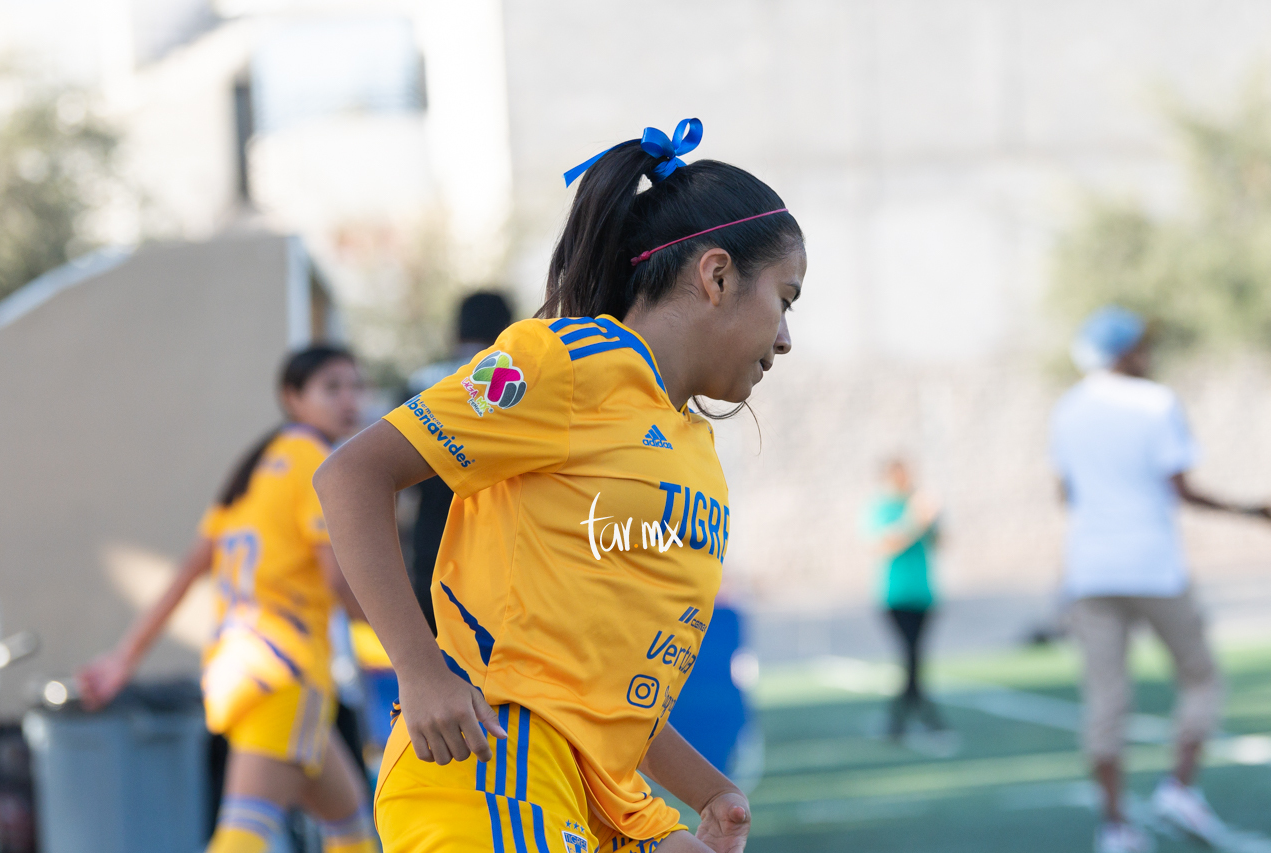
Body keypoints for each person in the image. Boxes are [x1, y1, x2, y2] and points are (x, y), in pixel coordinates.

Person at [313, 117, 805, 853]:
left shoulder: (690, 446)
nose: (787, 338)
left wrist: (711, 790)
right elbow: (352, 473)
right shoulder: (570, 363)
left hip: (597, 797)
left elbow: (597, 687)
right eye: (786, 299)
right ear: (717, 275)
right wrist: (420, 672)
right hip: (489, 772)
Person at [77, 346, 379, 853]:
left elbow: (184, 575)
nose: (349, 399)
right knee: (244, 835)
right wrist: (415, 643)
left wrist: (123, 659)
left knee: (350, 825)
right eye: (332, 387)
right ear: (292, 397)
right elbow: (339, 583)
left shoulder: (255, 467)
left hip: (238, 672)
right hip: (287, 672)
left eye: (356, 386)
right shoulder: (317, 462)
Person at [1050, 307, 1271, 853]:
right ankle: (1179, 788)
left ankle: (1115, 826)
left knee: (1105, 702)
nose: (1149, 354)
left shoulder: (1067, 409)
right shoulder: (1157, 402)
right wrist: (1251, 511)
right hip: (1153, 565)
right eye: (1142, 346)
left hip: (1091, 570)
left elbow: (1066, 495)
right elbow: (1182, 489)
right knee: (1202, 678)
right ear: (1126, 352)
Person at [406, 290, 513, 632]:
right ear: (508, 326)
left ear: (456, 330)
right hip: (494, 542)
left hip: (431, 537)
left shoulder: (422, 381)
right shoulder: (514, 380)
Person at [863, 457, 944, 739]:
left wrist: (935, 519)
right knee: (910, 656)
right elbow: (884, 543)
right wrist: (914, 520)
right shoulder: (885, 508)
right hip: (894, 595)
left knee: (915, 658)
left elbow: (940, 543)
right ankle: (917, 717)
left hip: (923, 594)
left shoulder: (919, 504)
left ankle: (903, 718)